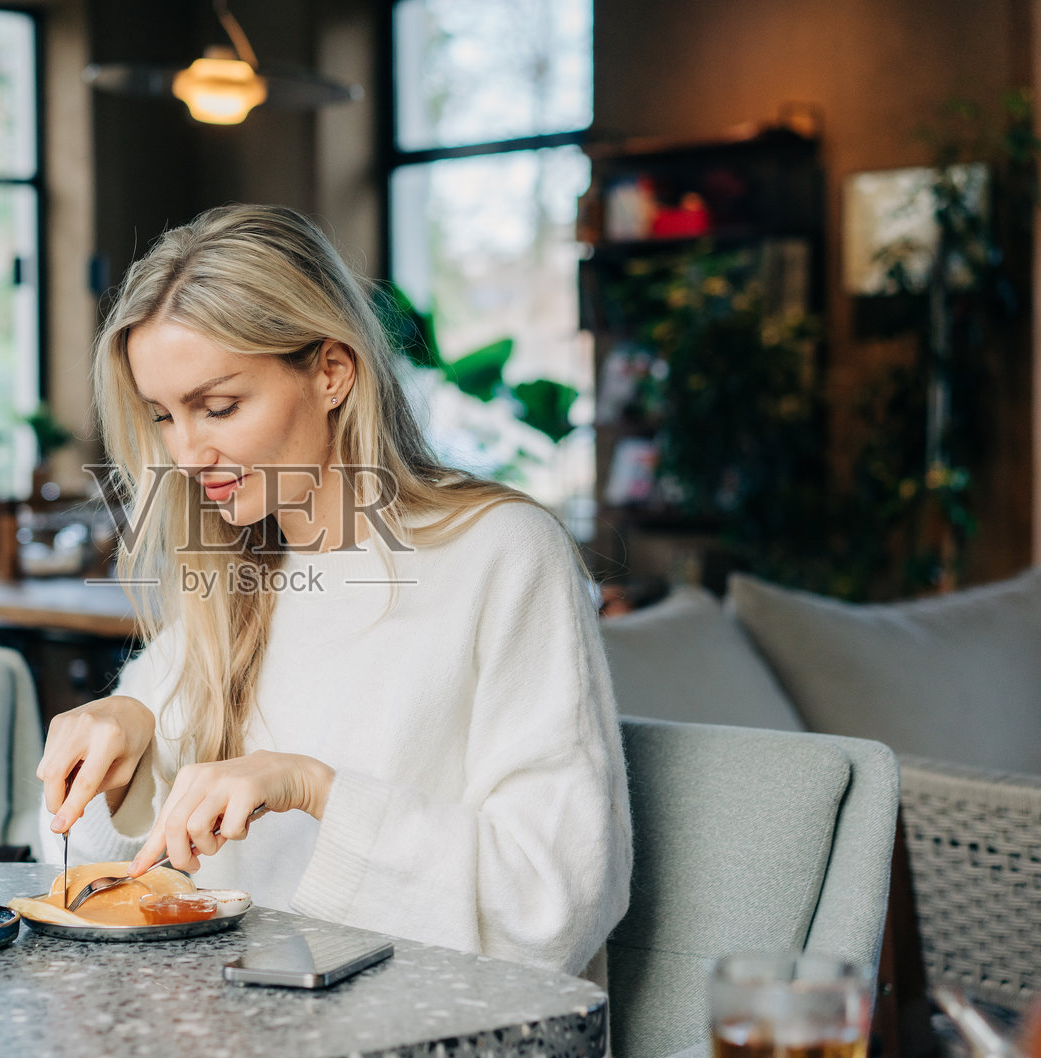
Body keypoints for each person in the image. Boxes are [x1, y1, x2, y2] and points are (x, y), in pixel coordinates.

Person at [38, 203, 630, 979]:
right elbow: (87, 870)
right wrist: (128, 734)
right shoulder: (237, 576)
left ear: (331, 372)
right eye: (163, 416)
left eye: (219, 406)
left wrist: (313, 788)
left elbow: (556, 899)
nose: (187, 452)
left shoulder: (503, 553)